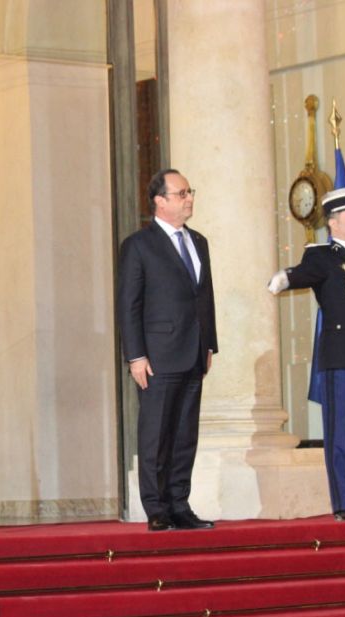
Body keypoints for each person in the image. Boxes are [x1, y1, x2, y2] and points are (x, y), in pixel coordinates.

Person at [268, 187, 345, 521]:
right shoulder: (322, 256)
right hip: (341, 360)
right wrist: (284, 279)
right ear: (333, 223)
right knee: (342, 432)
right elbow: (304, 274)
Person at [117, 168, 218, 531]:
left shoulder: (199, 242)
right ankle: (156, 508)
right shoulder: (139, 246)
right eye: (181, 193)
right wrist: (136, 356)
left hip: (193, 352)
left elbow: (203, 296)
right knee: (156, 434)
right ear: (160, 201)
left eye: (190, 191)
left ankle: (180, 504)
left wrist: (210, 344)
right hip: (157, 356)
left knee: (184, 434)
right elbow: (129, 304)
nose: (189, 198)